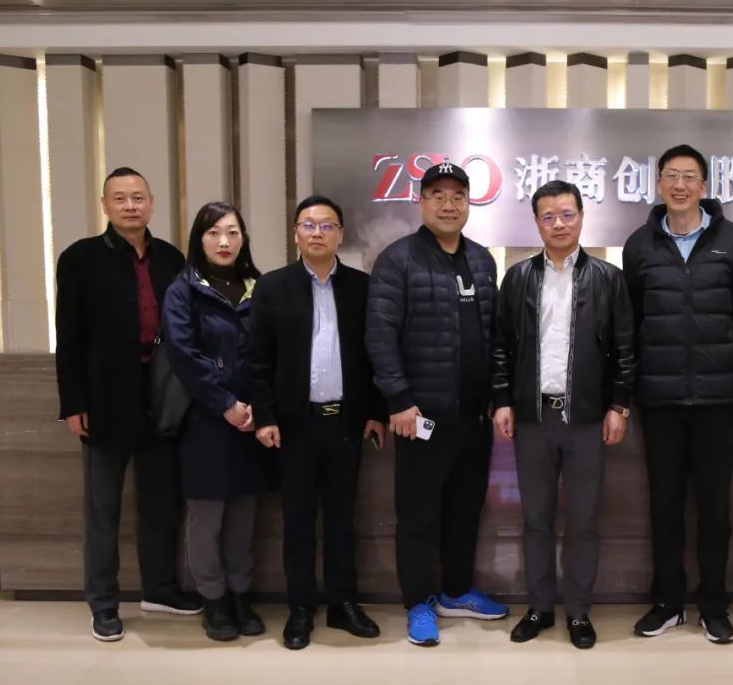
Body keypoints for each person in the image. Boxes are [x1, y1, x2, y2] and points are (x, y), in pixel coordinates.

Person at [55, 166, 202, 642]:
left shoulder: (171, 257)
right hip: (104, 399)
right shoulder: (80, 258)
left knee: (161, 502)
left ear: (151, 203)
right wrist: (73, 402)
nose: (130, 205)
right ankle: (103, 603)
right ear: (105, 206)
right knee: (103, 508)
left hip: (161, 395)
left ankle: (160, 589)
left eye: (138, 197)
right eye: (120, 198)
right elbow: (69, 336)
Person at [366, 162, 508, 647]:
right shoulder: (398, 259)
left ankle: (457, 591)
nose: (449, 205)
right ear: (422, 202)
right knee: (418, 516)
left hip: (473, 417)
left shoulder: (482, 261)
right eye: (438, 196)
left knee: (465, 511)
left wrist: (497, 396)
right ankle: (418, 603)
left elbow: (494, 337)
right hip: (420, 418)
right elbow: (379, 336)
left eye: (458, 196)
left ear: (468, 203)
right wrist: (400, 400)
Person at [492, 180, 636, 649]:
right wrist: (502, 401)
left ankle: (578, 611)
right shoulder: (518, 278)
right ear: (537, 222)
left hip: (587, 419)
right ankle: (539, 607)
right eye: (548, 216)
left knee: (583, 520)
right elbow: (500, 348)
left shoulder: (608, 278)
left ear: (581, 217)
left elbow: (625, 350)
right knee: (535, 518)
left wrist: (618, 406)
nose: (558, 223)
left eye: (567, 214)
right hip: (532, 418)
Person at [622, 144, 733, 643]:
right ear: (658, 184)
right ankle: (668, 603)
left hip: (718, 399)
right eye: (671, 176)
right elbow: (632, 320)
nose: (679, 185)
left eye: (689, 177)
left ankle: (713, 605)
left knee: (715, 511)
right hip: (659, 398)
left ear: (704, 186)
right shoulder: (639, 245)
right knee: (664, 507)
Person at [248, 195, 387, 650]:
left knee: (343, 518)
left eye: (327, 225)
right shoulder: (273, 287)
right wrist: (265, 416)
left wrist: (376, 412)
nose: (317, 232)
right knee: (299, 521)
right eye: (308, 224)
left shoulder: (361, 288)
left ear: (340, 235)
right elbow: (257, 359)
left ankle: (343, 603)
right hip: (295, 426)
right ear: (295, 233)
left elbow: (375, 356)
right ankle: (301, 608)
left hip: (346, 423)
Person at [161, 201, 270, 642]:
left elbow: (270, 352)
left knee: (244, 512)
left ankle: (241, 594)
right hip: (205, 418)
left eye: (232, 232)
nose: (224, 241)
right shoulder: (183, 290)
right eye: (213, 233)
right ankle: (214, 598)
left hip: (253, 420)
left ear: (243, 239)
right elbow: (183, 355)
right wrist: (225, 403)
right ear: (199, 239)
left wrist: (259, 406)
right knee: (207, 515)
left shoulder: (259, 287)